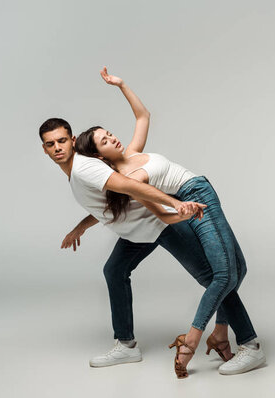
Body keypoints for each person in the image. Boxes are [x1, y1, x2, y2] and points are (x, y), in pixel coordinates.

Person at [74, 67, 265, 378]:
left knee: (237, 269)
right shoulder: (129, 181)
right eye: (105, 141)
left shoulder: (132, 153)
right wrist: (182, 211)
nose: (113, 138)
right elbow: (158, 211)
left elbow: (143, 116)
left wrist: (122, 85)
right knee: (224, 273)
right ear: (99, 158)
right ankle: (241, 345)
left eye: (109, 133)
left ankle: (219, 333)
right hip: (195, 200)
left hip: (200, 190)